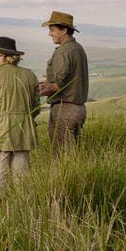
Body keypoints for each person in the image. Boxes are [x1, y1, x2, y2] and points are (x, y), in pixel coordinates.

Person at [0, 37, 40, 200]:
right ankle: (23, 216)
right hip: (23, 132)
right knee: (22, 180)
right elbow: (36, 108)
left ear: (1, 55)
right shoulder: (30, 75)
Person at [37, 11, 89, 158]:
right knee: (73, 154)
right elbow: (69, 79)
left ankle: (67, 182)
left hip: (65, 110)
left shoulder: (63, 51)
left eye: (52, 29)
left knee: (62, 157)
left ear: (64, 30)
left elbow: (58, 85)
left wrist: (37, 92)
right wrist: (49, 82)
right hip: (78, 109)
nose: (49, 34)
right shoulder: (78, 48)